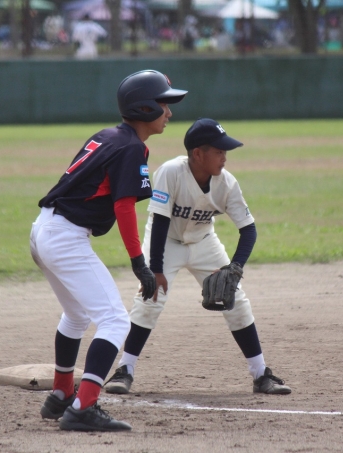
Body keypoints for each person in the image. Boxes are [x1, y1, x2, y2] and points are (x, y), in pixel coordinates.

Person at [30, 70, 187, 431]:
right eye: (164, 104)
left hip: (44, 230)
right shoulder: (131, 147)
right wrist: (139, 263)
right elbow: (124, 206)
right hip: (64, 237)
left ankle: (61, 393)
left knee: (76, 315)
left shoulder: (108, 136)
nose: (169, 112)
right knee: (115, 321)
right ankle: (83, 406)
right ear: (144, 107)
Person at [103, 118, 292, 396]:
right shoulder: (171, 172)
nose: (224, 157)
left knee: (237, 301)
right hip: (166, 241)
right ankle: (124, 369)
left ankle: (261, 373)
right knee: (150, 300)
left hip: (204, 242)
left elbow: (248, 229)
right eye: (219, 151)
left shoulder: (226, 183)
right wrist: (156, 270)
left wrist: (234, 268)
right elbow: (160, 222)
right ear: (197, 154)